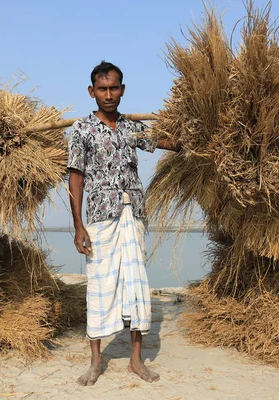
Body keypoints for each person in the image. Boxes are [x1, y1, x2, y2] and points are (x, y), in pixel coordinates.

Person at [67, 61, 180, 386]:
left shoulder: (131, 129)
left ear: (122, 90)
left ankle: (135, 361)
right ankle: (95, 362)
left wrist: (192, 133)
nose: (108, 94)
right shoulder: (82, 130)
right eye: (102, 89)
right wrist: (78, 225)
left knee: (136, 285)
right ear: (92, 92)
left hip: (134, 214)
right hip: (100, 217)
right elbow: (75, 177)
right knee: (100, 285)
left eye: (114, 88)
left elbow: (166, 143)